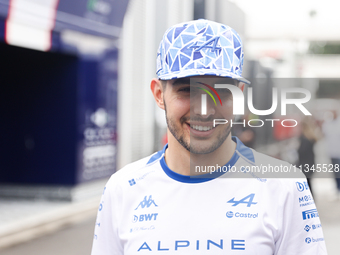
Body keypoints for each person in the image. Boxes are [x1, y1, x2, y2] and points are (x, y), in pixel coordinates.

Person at [91, 19, 327, 254]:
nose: (204, 109)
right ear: (159, 94)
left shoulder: (284, 186)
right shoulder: (123, 189)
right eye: (187, 90)